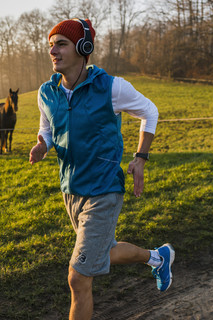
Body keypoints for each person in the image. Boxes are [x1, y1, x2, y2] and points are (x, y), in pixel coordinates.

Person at [29, 18, 175, 319]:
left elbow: (150, 111)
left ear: (83, 48)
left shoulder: (110, 87)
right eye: (50, 46)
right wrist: (43, 144)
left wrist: (140, 158)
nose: (53, 51)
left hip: (104, 189)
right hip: (71, 190)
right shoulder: (47, 92)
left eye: (61, 44)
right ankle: (158, 258)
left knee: (78, 277)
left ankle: (157, 258)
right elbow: (47, 128)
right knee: (103, 252)